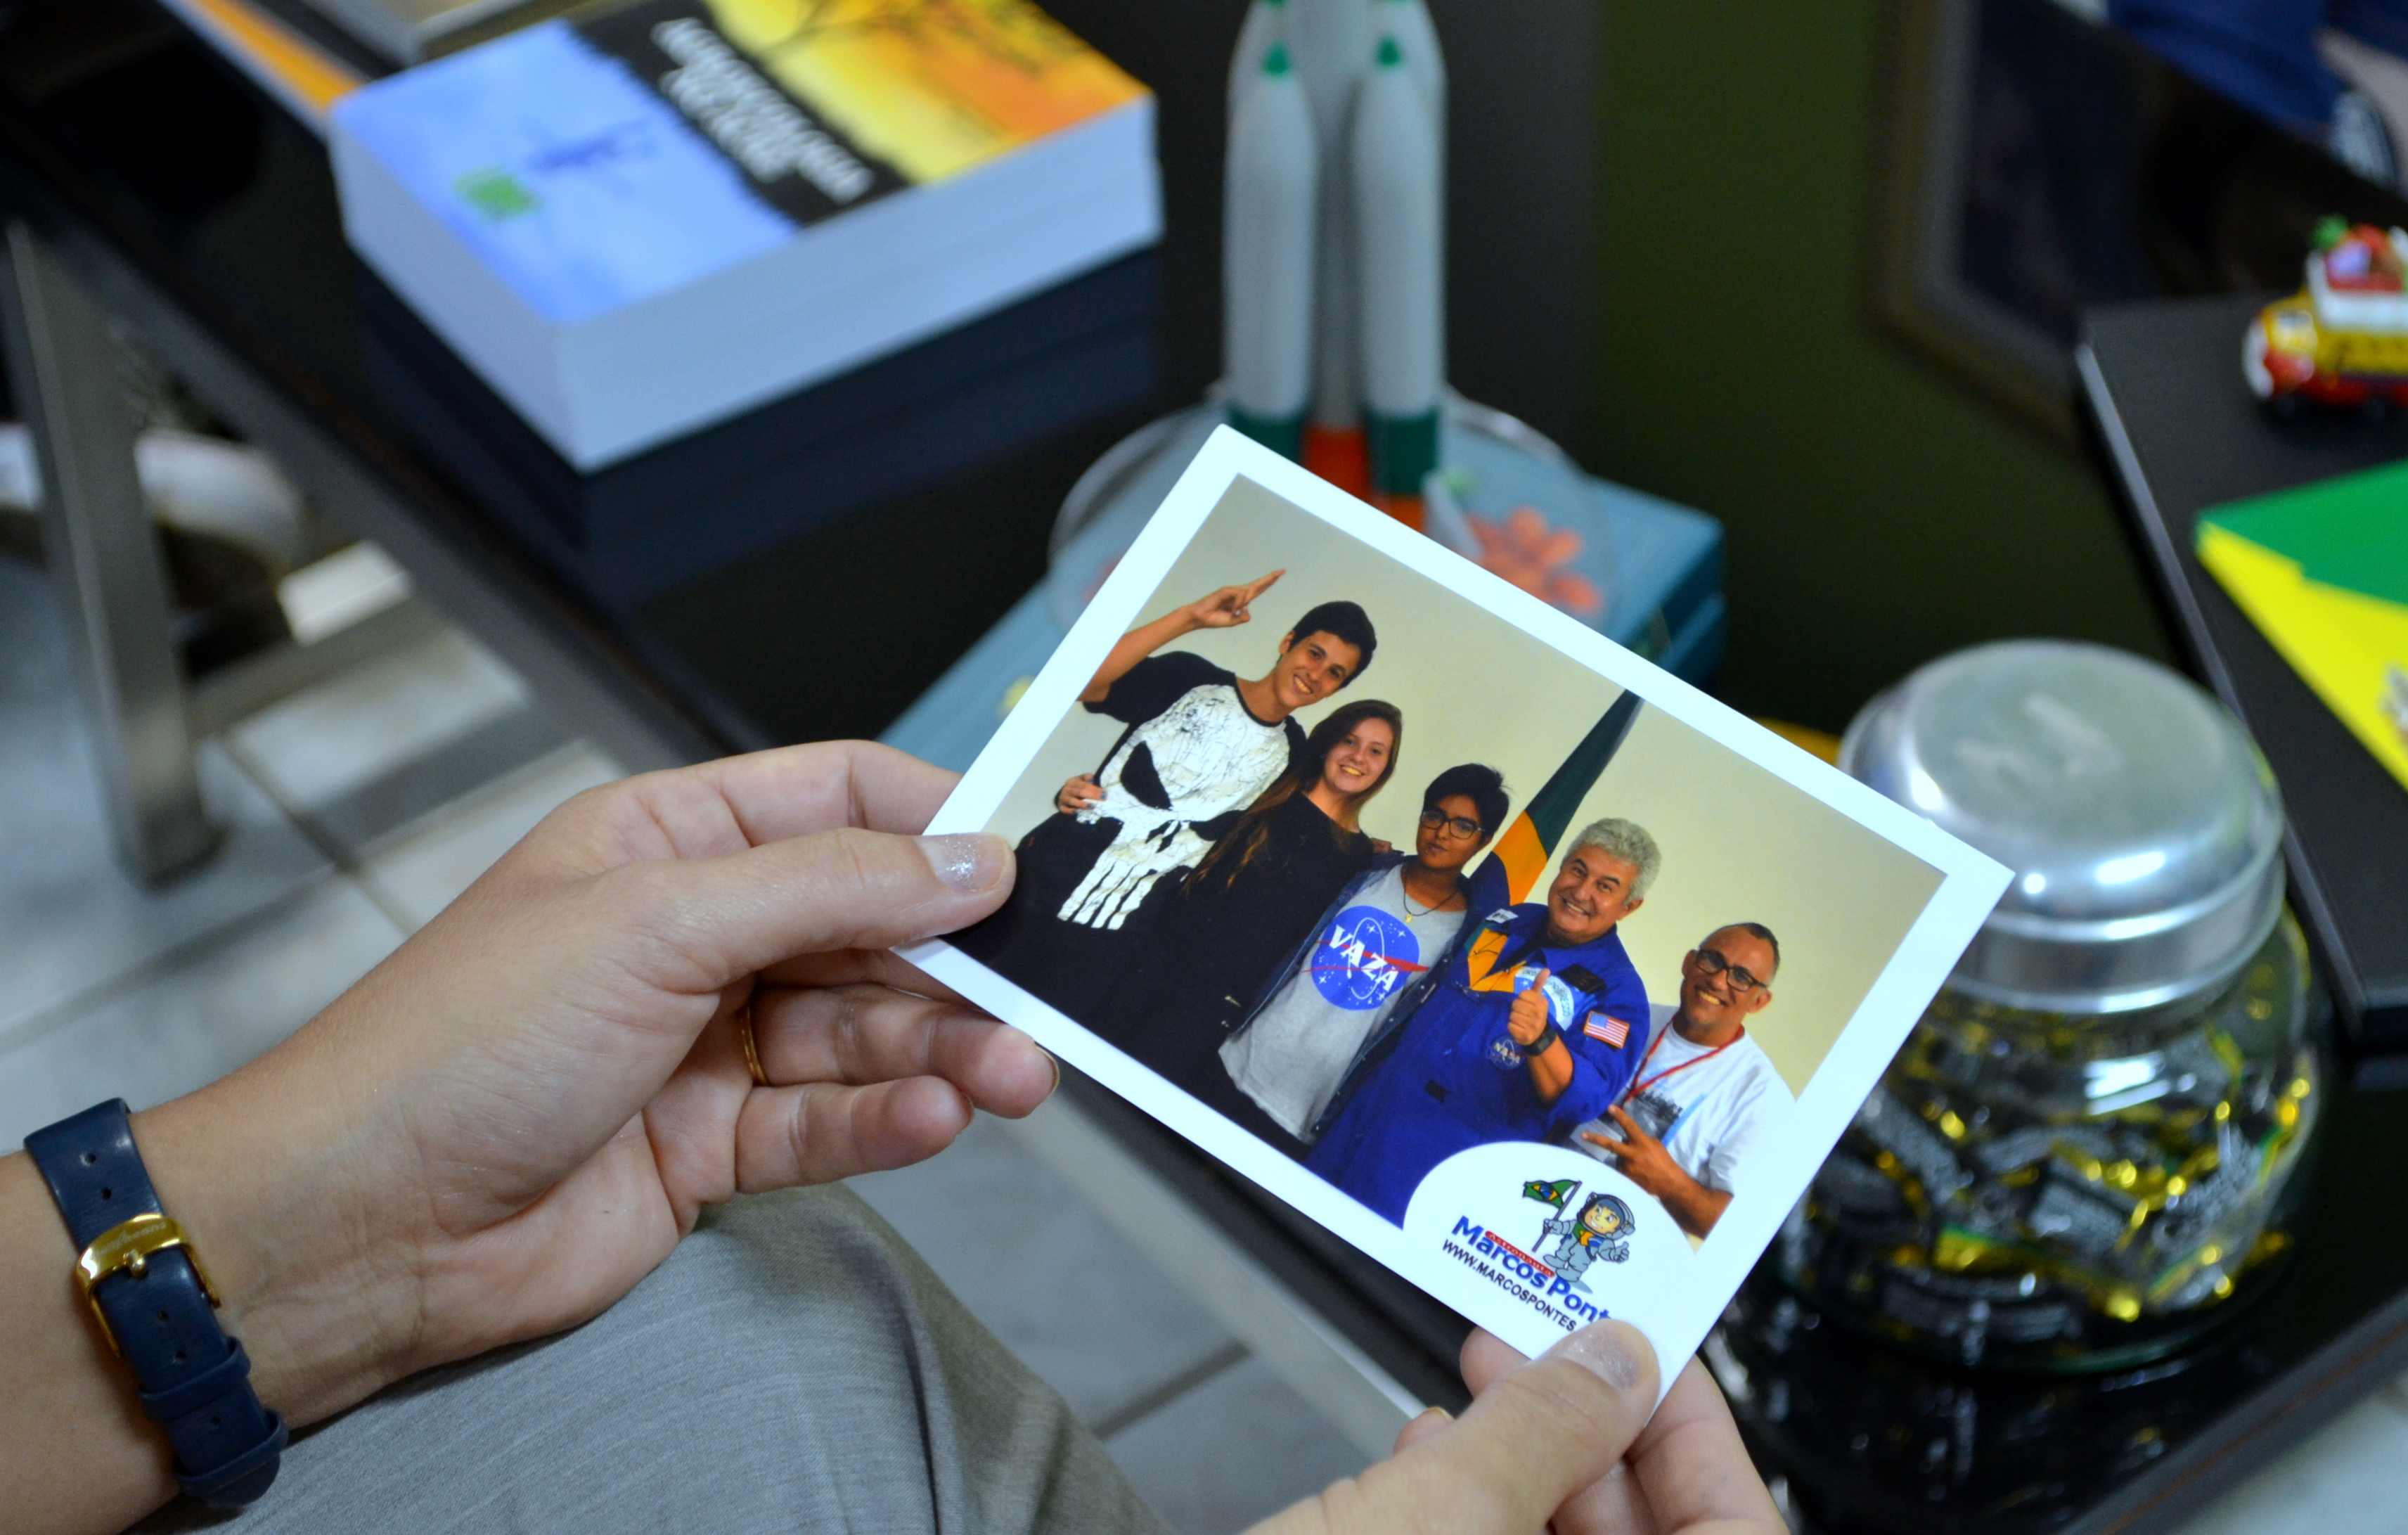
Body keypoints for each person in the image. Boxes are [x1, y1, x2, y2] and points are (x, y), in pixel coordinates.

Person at [1, 743, 1782, 1535]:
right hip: (1315, 1137)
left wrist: (319, 1248)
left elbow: (1570, 1099)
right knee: (818, 1301)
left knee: (798, 1268)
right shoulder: (1451, 904)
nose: (1598, 895)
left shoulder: (1594, 985)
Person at [951, 572, 1377, 1022]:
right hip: (1040, 878)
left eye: (1335, 673)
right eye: (1314, 653)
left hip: (1117, 936)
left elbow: (1314, 827)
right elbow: (1082, 681)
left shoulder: (1294, 759)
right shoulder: (1190, 679)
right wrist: (1190, 617)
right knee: (944, 998)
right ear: (1288, 642)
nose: (1315, 674)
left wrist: (1376, 855)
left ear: (1338, 689)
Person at [1306, 819, 1663, 1226]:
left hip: (1445, 1160)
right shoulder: (1509, 919)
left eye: (1605, 887)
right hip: (1373, 1110)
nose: (1581, 892)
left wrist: (1542, 1040)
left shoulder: (1619, 996)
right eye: (1578, 871)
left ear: (1629, 906)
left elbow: (1586, 1100)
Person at [1215, 764, 1511, 1157]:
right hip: (1242, 1057)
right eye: (1435, 816)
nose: (1441, 832)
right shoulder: (1367, 870)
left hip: (1306, 1112)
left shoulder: (1466, 939)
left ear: (1483, 841)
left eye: (1462, 826)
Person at [1094, 700, 1402, 1074]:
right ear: (1327, 743)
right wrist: (1093, 798)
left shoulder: (1360, 859)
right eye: (1349, 741)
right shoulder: (1265, 791)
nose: (1358, 757)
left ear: (1386, 768)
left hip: (1214, 1008)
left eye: (1376, 751)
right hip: (1148, 962)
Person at [1573, 924, 1790, 1240]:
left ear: (1759, 1001)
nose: (1718, 981)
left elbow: (1738, 1232)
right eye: (1713, 960)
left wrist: (1669, 1183)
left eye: (1741, 977)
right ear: (1689, 962)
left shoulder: (1763, 1096)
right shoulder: (1630, 1017)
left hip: (1618, 1249)